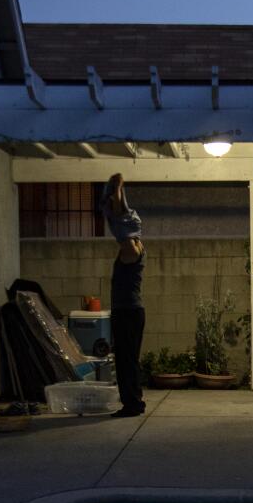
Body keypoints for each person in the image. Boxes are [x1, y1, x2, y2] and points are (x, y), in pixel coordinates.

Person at [104, 174, 146, 418]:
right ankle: (134, 402)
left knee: (126, 361)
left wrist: (118, 194)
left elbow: (122, 229)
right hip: (130, 312)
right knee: (128, 359)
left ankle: (132, 404)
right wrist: (118, 198)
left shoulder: (131, 250)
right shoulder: (136, 246)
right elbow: (124, 224)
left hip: (128, 312)